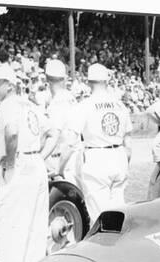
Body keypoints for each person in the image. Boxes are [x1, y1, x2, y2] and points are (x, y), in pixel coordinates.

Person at [0, 64, 58, 262]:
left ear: (8, 86)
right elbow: (53, 133)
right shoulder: (30, 104)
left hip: (18, 164)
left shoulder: (8, 105)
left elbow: (11, 133)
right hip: (34, 162)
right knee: (34, 227)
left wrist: (10, 160)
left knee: (8, 226)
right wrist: (39, 157)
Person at [67, 63, 133, 224]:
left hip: (97, 156)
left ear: (89, 82)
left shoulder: (84, 105)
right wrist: (125, 162)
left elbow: (70, 141)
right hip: (119, 155)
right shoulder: (119, 105)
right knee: (119, 212)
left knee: (99, 216)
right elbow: (128, 142)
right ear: (107, 81)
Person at [43, 58, 81, 186]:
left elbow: (54, 136)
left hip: (64, 162)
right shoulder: (70, 98)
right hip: (74, 157)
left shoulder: (57, 103)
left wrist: (39, 159)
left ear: (47, 79)